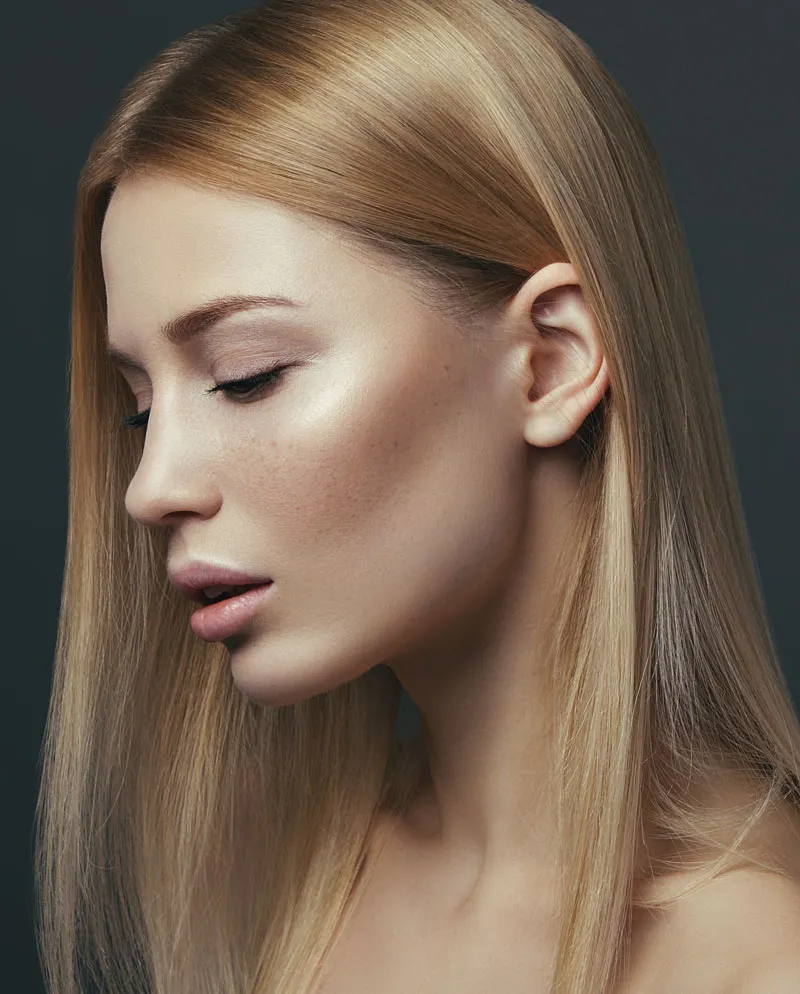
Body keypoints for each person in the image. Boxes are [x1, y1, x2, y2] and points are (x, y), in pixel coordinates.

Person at [34, 1, 800, 992]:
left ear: (548, 363)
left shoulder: (761, 957)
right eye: (139, 411)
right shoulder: (282, 891)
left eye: (246, 373)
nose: (151, 487)